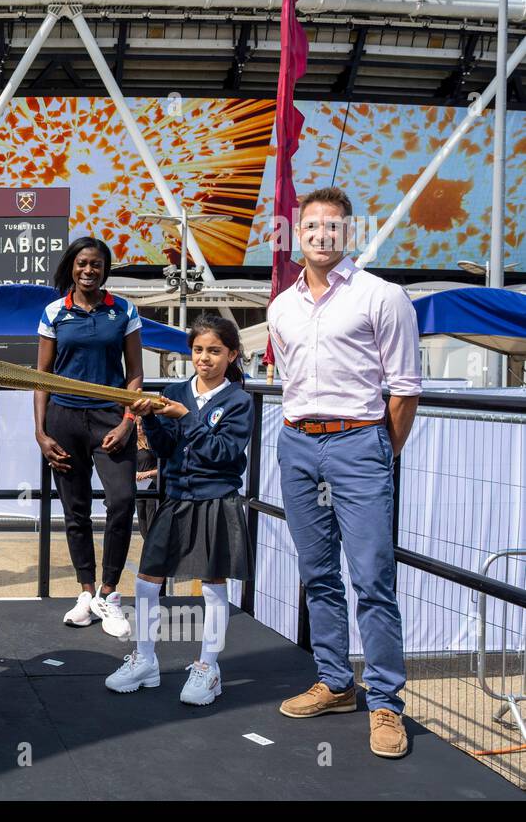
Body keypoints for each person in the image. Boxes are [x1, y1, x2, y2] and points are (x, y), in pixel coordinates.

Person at [268, 186, 420, 759]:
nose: (322, 236)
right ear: (296, 235)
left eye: (333, 227)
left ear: (347, 233)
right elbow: (290, 384)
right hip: (297, 444)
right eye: (311, 228)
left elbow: (404, 389)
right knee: (318, 574)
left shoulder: (382, 297)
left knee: (373, 578)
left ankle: (385, 702)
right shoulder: (280, 307)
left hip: (360, 443)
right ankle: (335, 683)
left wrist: (381, 450)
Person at [109, 315, 254, 706]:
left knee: (212, 586)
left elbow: (223, 453)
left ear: (232, 354)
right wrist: (149, 420)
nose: (204, 358)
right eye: (198, 350)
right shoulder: (175, 390)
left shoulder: (239, 401)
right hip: (175, 499)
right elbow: (165, 447)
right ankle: (145, 659)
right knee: (146, 580)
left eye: (214, 351)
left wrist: (185, 418)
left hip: (215, 501)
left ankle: (208, 667)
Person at [34, 236, 142, 638]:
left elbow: (135, 373)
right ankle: (85, 594)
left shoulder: (124, 311)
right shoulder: (53, 313)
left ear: (105, 269)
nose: (89, 270)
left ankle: (110, 595)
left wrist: (127, 422)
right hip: (63, 419)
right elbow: (41, 378)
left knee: (122, 500)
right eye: (82, 263)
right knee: (75, 510)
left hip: (109, 418)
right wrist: (41, 433)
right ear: (72, 266)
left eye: (96, 264)